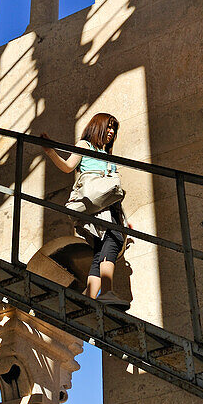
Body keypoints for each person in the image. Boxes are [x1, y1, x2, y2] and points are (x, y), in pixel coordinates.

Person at [41, 112, 130, 308]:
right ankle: (106, 292)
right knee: (113, 240)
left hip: (110, 207)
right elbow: (67, 167)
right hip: (96, 205)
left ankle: (89, 296)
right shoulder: (85, 145)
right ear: (97, 126)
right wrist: (51, 152)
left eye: (114, 128)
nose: (111, 131)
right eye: (108, 127)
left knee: (100, 250)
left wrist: (123, 218)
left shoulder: (107, 155)